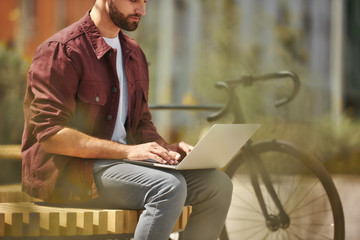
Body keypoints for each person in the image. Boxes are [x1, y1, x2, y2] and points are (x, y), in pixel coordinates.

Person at [21, 0, 233, 239]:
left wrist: (165, 150)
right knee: (168, 187)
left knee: (217, 185)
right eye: (133, 0)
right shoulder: (61, 49)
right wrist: (128, 152)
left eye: (145, 2)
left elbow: (141, 124)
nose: (142, 10)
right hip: (69, 175)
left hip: (121, 169)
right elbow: (51, 136)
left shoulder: (134, 53)